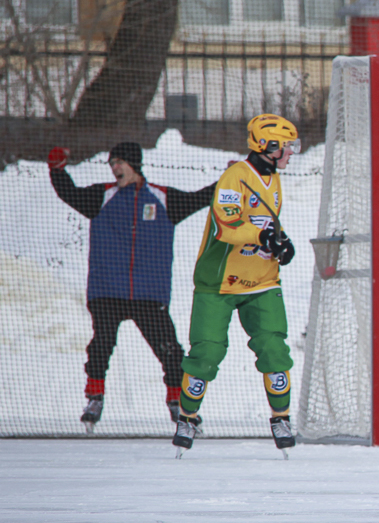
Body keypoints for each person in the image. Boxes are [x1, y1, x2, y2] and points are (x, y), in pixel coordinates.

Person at [48, 141, 216, 430]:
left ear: (134, 165)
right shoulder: (101, 196)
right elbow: (69, 193)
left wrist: (230, 180)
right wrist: (57, 169)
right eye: (112, 164)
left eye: (119, 163)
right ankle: (94, 397)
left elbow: (201, 198)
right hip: (107, 290)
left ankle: (177, 403)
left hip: (149, 294)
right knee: (101, 345)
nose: (114, 168)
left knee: (171, 351)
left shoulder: (163, 199)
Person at [173, 114, 300, 456]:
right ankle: (187, 416)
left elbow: (264, 223)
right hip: (219, 283)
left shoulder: (273, 178)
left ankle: (281, 417)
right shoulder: (235, 177)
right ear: (267, 146)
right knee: (207, 353)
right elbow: (227, 225)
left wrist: (280, 242)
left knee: (274, 348)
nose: (291, 153)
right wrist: (264, 235)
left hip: (261, 279)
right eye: (287, 147)